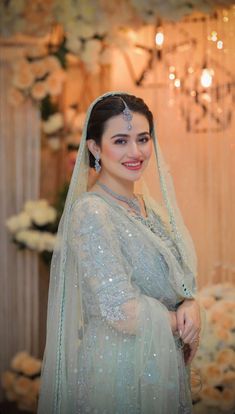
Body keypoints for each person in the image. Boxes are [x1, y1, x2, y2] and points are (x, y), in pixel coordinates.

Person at [38, 92, 201, 414]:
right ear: (95, 147)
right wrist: (180, 321)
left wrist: (191, 304)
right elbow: (120, 311)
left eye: (143, 139)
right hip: (120, 367)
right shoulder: (92, 212)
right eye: (121, 141)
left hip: (159, 360)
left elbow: (177, 280)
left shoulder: (147, 207)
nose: (136, 152)